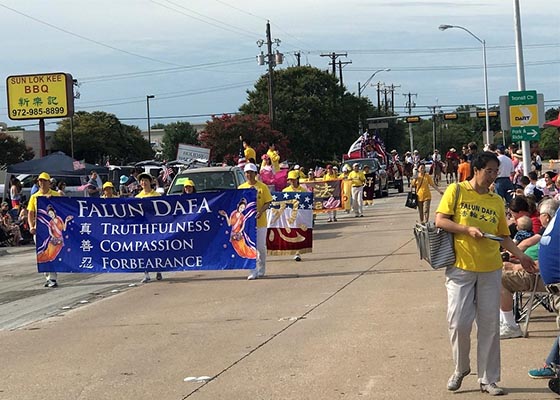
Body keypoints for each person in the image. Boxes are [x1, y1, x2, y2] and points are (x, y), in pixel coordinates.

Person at [435, 151, 536, 396]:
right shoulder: (457, 191)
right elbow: (440, 220)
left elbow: (503, 236)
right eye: (488, 171)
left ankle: (488, 378)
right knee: (458, 323)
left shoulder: (495, 200)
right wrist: (466, 229)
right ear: (477, 169)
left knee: (489, 325)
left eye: (495, 172)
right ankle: (461, 368)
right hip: (460, 267)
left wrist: (521, 256)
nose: (492, 176)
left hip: (490, 268)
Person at [499, 198, 559, 339]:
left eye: (541, 214)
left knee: (499, 278)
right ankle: (504, 322)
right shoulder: (548, 230)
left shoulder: (553, 230)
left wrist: (516, 266)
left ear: (547, 216)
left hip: (539, 276)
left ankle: (509, 325)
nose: (538, 217)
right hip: (536, 271)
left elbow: (550, 261)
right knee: (495, 273)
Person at [238, 163, 273, 280]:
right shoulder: (241, 188)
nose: (249, 175)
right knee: (250, 247)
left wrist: (261, 211)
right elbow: (238, 205)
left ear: (255, 174)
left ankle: (261, 268)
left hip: (260, 222)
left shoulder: (262, 187)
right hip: (247, 223)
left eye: (251, 172)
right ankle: (252, 270)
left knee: (261, 247)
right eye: (247, 172)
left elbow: (268, 202)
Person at [27, 172, 62, 288]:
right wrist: (31, 226)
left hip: (54, 231)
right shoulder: (34, 196)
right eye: (40, 181)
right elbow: (30, 213)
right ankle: (49, 278)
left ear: (49, 183)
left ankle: (52, 278)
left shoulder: (56, 195)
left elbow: (64, 208)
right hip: (40, 230)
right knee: (43, 253)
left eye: (44, 181)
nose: (42, 183)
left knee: (51, 253)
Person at [135, 173, 162, 283]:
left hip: (155, 227)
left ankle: (159, 270)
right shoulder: (137, 197)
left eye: (146, 180)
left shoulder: (156, 195)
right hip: (143, 228)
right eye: (142, 181)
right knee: (143, 250)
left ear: (150, 182)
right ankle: (146, 274)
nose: (144, 182)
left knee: (156, 249)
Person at [283, 170, 308, 261]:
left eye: (293, 179)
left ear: (297, 179)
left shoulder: (303, 191)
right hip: (289, 216)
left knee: (299, 233)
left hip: (300, 216)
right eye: (290, 180)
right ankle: (294, 251)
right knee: (292, 233)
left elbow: (307, 205)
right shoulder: (285, 191)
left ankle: (297, 253)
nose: (292, 181)